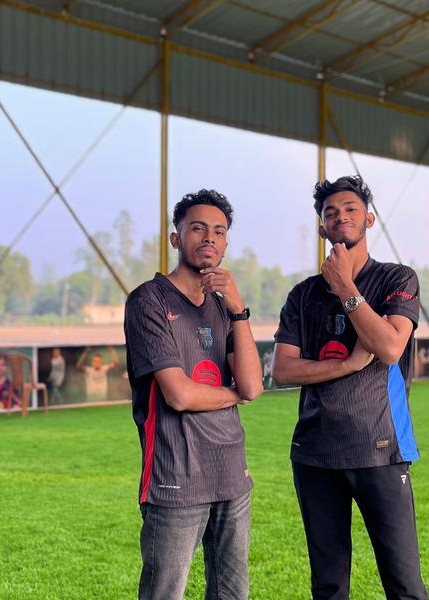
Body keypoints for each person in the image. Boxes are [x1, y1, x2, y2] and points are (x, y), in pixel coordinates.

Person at [273, 175, 428, 600]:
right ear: (322, 227)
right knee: (328, 586)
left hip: (380, 449)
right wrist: (347, 364)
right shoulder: (303, 295)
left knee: (404, 584)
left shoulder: (397, 278)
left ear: (369, 219)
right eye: (330, 212)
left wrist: (345, 287)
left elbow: (389, 347)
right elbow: (282, 370)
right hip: (315, 454)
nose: (340, 216)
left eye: (350, 209)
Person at [124, 189, 263, 600]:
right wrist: (232, 394)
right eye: (198, 228)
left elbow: (253, 386)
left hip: (232, 476)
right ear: (176, 238)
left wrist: (238, 309)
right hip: (176, 478)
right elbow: (179, 395)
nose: (209, 238)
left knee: (232, 593)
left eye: (219, 231)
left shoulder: (223, 307)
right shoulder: (148, 300)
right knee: (165, 593)